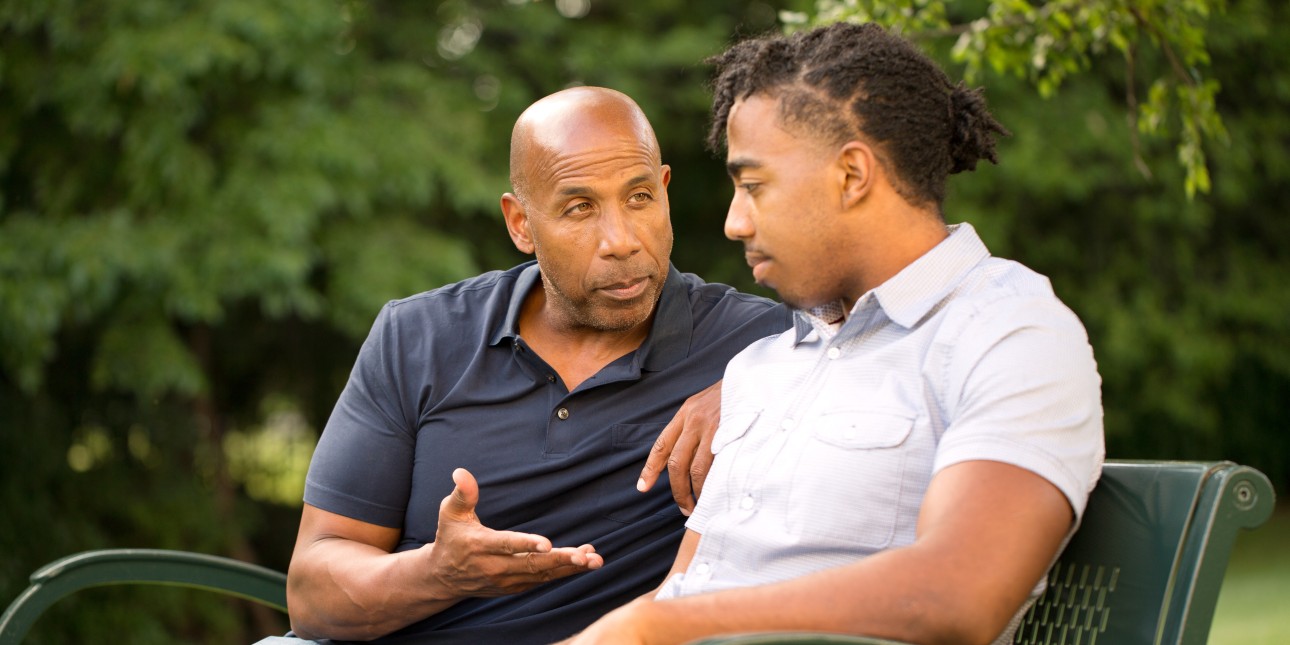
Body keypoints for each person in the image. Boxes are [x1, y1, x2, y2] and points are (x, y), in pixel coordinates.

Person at [564, 22, 1105, 645]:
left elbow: (956, 593)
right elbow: (693, 586)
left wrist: (654, 627)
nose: (734, 222)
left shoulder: (1008, 333)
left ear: (852, 174)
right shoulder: (764, 367)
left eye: (754, 185)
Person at [278, 87, 792, 644]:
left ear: (665, 192)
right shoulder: (418, 336)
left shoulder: (766, 345)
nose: (621, 241)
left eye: (639, 197)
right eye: (579, 208)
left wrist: (753, 383)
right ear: (520, 224)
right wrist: (438, 573)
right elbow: (311, 598)